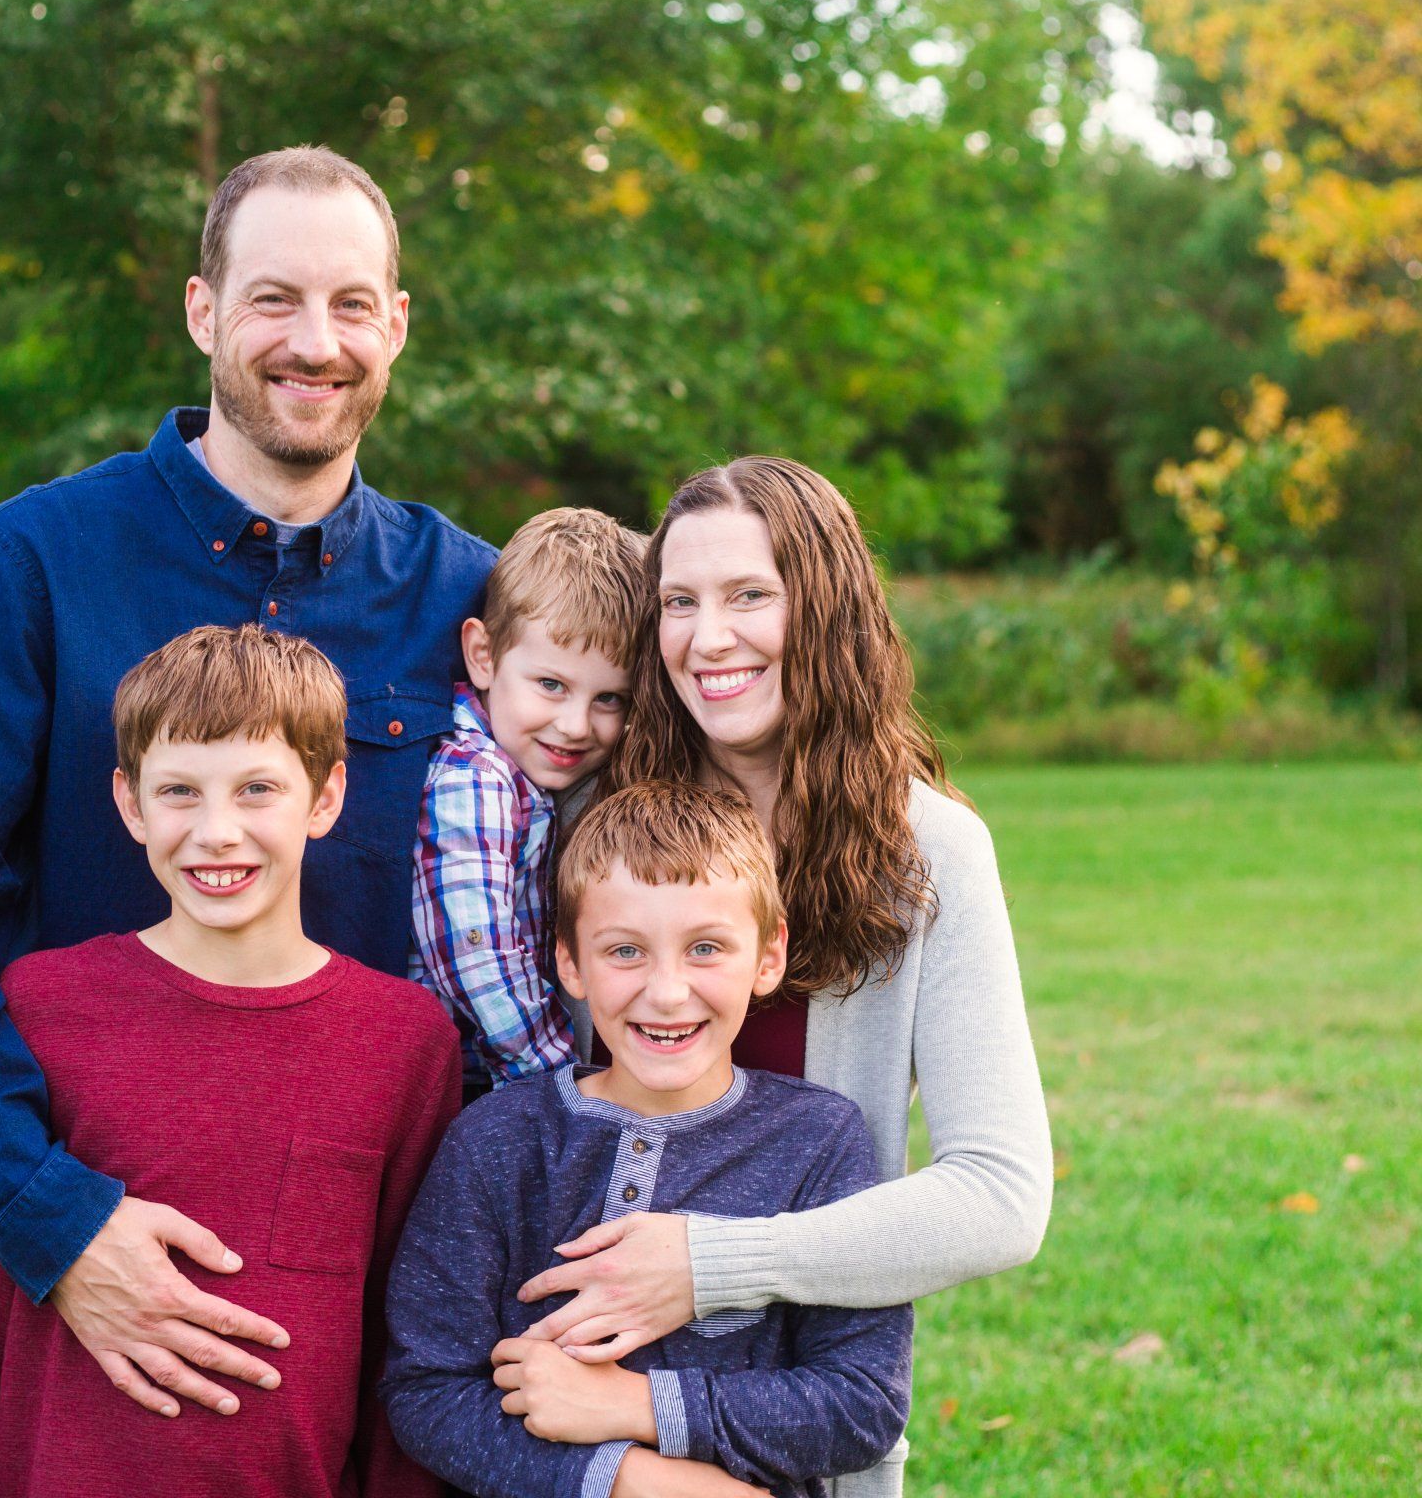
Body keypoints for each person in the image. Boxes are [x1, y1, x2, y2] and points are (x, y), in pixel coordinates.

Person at [0, 145, 495, 1495]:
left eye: (348, 305)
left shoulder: (476, 606)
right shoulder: (33, 563)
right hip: (27, 1259)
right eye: (272, 301)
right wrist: (54, 1224)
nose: (311, 344)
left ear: (396, 325)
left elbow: (629, 834)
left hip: (338, 1287)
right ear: (204, 313)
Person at [515, 457, 1054, 1497]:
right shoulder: (591, 822)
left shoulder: (928, 856)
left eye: (750, 595)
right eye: (680, 602)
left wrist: (708, 1265)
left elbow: (1001, 1197)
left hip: (802, 1434)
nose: (708, 637)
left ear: (830, 610)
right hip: (574, 1423)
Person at [0, 626, 458, 1498]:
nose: (216, 833)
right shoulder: (41, 1009)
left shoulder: (403, 1041)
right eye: (179, 792)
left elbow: (408, 1337)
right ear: (130, 805)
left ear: (325, 798)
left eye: (257, 790)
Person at [383, 780, 912, 1498]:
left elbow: (861, 1404)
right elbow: (427, 1390)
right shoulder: (497, 1139)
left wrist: (635, 1407)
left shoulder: (820, 1141)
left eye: (705, 949)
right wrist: (630, 1480)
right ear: (570, 961)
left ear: (768, 954)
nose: (666, 992)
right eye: (625, 951)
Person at [410, 506, 644, 1094]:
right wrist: (556, 1076)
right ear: (483, 656)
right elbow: (473, 951)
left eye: (609, 699)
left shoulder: (521, 775)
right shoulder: (477, 775)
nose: (574, 725)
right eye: (551, 685)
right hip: (463, 1075)